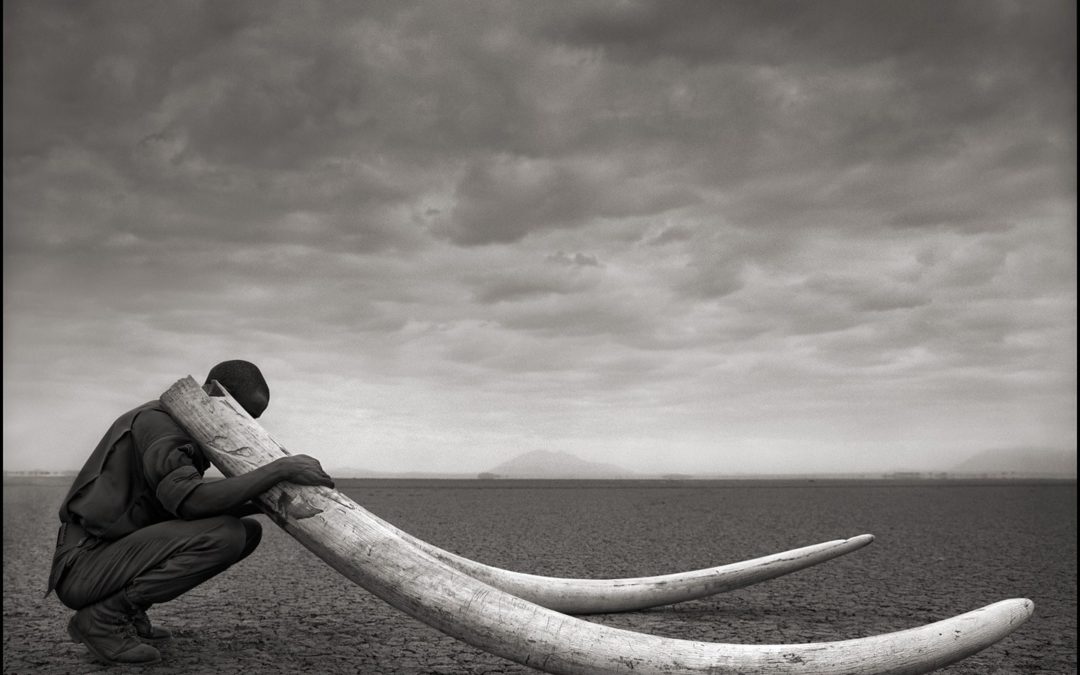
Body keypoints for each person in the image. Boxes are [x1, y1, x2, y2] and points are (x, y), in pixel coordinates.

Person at [46, 360, 334, 666]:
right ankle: (104, 619)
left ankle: (126, 612)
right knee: (226, 535)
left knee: (248, 532)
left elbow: (181, 507)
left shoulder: (175, 424)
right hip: (85, 565)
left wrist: (270, 504)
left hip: (107, 557)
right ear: (212, 393)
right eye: (241, 414)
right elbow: (191, 503)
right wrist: (280, 469)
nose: (243, 427)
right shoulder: (161, 426)